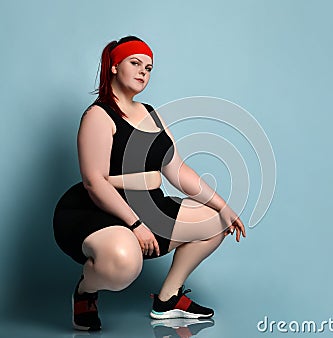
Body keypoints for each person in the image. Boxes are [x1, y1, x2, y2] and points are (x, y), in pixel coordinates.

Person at [53, 35, 246, 331]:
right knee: (124, 263)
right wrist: (136, 225)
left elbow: (176, 169)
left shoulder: (151, 113)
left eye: (149, 67)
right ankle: (85, 291)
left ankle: (168, 300)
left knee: (217, 219)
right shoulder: (98, 116)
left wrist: (224, 206)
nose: (144, 71)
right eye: (135, 63)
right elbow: (94, 183)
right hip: (100, 212)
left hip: (149, 205)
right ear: (114, 67)